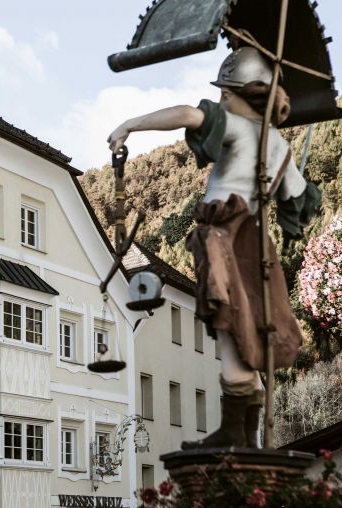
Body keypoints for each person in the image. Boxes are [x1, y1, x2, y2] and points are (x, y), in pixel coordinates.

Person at [107, 46, 318, 449]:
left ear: (241, 93)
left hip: (222, 238)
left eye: (225, 93)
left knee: (229, 329)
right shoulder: (280, 147)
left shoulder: (238, 127)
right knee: (246, 331)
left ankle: (235, 432)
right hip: (256, 245)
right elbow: (299, 200)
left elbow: (187, 114)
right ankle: (246, 434)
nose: (221, 100)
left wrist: (130, 124)